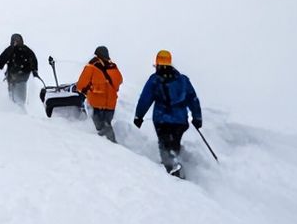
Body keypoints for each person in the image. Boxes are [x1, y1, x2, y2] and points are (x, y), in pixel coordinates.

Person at [133, 50, 202, 178]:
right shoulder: (182, 80)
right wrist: (197, 117)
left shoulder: (155, 80)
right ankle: (174, 162)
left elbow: (145, 98)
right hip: (180, 121)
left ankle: (171, 169)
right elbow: (193, 98)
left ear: (157, 63)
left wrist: (139, 116)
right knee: (174, 143)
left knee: (164, 145)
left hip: (162, 119)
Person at [75, 46, 123, 142]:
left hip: (97, 104)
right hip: (111, 105)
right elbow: (119, 81)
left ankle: (111, 147)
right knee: (106, 124)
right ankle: (112, 145)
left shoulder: (91, 66)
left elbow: (80, 85)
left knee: (100, 128)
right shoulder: (113, 66)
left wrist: (88, 89)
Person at [0, 33, 39, 107]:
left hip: (22, 79)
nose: (16, 42)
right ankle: (11, 111)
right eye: (14, 40)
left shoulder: (26, 51)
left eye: (17, 40)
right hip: (11, 79)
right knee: (11, 100)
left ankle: (20, 113)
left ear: (21, 41)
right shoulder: (9, 50)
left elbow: (33, 61)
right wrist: (8, 55)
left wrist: (34, 70)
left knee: (21, 101)